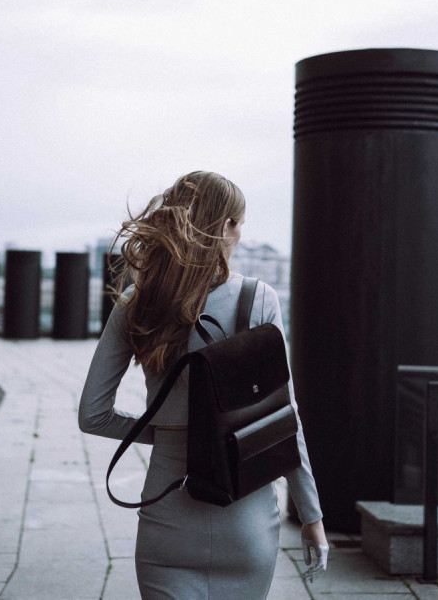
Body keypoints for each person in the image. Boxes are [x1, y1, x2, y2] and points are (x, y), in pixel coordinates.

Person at [79, 171, 328, 599]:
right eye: (240, 223)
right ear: (226, 226)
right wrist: (312, 517)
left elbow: (93, 416)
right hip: (245, 520)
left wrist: (173, 433)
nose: (241, 235)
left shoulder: (137, 301)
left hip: (166, 520)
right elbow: (284, 420)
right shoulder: (258, 299)